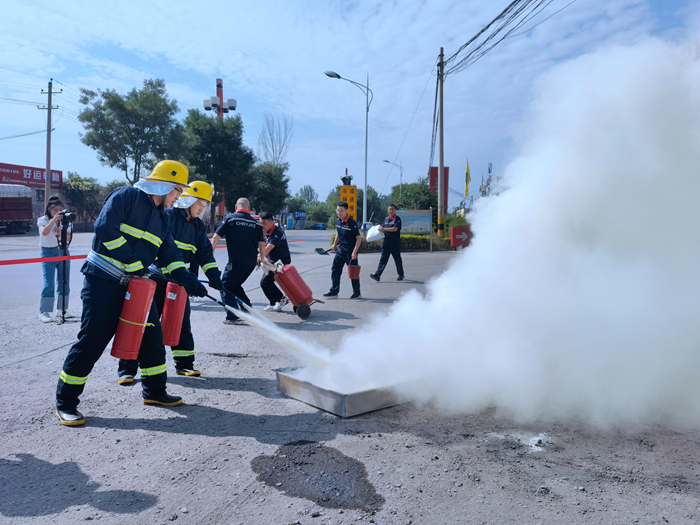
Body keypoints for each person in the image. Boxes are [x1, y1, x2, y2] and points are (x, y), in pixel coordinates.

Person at [55, 160, 208, 427]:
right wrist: (134, 262)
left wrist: (187, 279)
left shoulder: (162, 219)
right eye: (177, 192)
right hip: (103, 280)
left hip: (136, 285)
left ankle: (155, 392)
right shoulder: (126, 195)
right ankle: (66, 403)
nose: (178, 198)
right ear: (164, 186)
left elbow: (169, 255)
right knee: (92, 340)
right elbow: (105, 228)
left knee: (151, 337)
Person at [117, 181, 222, 383]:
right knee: (142, 322)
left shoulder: (198, 227)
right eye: (199, 203)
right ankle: (127, 368)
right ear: (188, 200)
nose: (202, 209)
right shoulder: (168, 217)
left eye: (205, 205)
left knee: (182, 322)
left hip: (179, 278)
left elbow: (205, 254)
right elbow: (161, 249)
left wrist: (214, 276)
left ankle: (184, 365)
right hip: (156, 278)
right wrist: (177, 273)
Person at [211, 197, 265, 325]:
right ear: (249, 208)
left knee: (224, 286)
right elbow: (262, 245)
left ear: (236, 207)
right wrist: (262, 261)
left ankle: (233, 317)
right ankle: (247, 310)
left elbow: (215, 237)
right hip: (251, 263)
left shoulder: (230, 218)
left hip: (236, 262)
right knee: (234, 285)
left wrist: (209, 256)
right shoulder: (256, 223)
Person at [37, 196, 72, 322]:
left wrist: (60, 228)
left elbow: (68, 238)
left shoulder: (66, 221)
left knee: (64, 281)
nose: (58, 212)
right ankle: (44, 311)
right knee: (49, 282)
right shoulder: (43, 220)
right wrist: (53, 221)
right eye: (55, 210)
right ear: (49, 210)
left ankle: (62, 309)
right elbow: (44, 232)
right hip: (48, 252)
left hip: (63, 251)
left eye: (61, 209)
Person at [324, 201, 362, 299]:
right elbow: (338, 232)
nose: (339, 212)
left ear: (346, 211)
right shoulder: (338, 221)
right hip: (341, 250)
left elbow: (358, 238)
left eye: (341, 211)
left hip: (350, 251)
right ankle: (334, 291)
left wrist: (354, 252)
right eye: (337, 210)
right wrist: (334, 244)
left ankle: (357, 292)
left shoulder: (351, 223)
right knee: (335, 269)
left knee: (353, 271)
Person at [258, 212, 291, 311]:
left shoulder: (277, 232)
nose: (262, 226)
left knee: (265, 281)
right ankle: (274, 303)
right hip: (273, 261)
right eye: (260, 223)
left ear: (271, 222)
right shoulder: (269, 231)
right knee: (265, 282)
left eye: (264, 223)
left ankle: (281, 299)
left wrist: (259, 257)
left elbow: (268, 248)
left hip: (281, 262)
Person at [370, 204, 404, 282]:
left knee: (397, 259)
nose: (391, 211)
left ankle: (401, 274)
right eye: (389, 209)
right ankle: (377, 275)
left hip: (395, 244)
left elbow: (395, 229)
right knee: (383, 260)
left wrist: (384, 229)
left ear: (395, 210)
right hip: (386, 243)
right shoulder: (386, 219)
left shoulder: (397, 219)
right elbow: (383, 229)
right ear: (388, 210)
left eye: (392, 209)